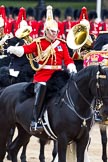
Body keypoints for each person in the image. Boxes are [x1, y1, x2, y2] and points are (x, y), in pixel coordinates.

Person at [7, 5, 77, 132]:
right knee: (42, 88)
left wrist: (71, 67)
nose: (55, 34)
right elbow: (26, 49)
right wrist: (14, 49)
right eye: (52, 32)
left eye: (56, 32)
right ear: (46, 31)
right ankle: (35, 120)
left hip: (58, 75)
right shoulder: (39, 42)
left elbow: (67, 59)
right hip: (43, 75)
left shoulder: (61, 44)